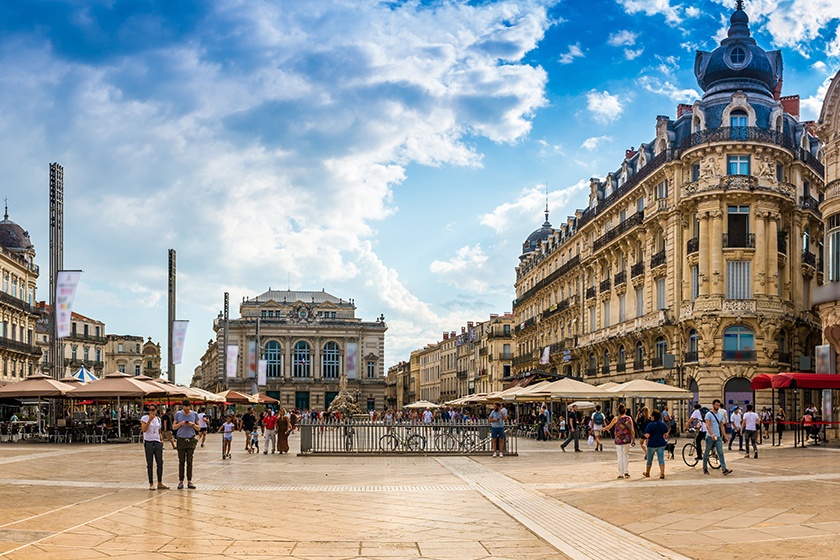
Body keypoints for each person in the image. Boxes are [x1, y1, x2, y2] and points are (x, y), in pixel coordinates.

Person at [141, 404, 168, 490]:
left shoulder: (158, 419)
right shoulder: (144, 418)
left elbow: (158, 431)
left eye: (153, 410)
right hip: (149, 442)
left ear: (156, 410)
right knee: (150, 463)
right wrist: (149, 420)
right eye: (150, 410)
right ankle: (151, 483)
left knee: (159, 462)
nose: (151, 411)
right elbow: (144, 429)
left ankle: (160, 482)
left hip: (157, 442)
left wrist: (161, 439)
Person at [173, 400, 200, 489]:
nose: (186, 410)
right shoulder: (178, 414)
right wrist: (181, 423)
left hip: (191, 439)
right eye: (184, 408)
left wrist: (192, 425)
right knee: (181, 461)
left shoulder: (194, 414)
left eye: (187, 408)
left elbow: (199, 428)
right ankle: (181, 480)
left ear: (190, 407)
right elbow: (174, 427)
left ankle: (189, 480)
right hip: (181, 439)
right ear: (182, 407)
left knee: (189, 461)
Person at [604, 403, 635, 478]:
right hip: (627, 438)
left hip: (618, 439)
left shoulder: (616, 419)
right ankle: (626, 471)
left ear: (618, 411)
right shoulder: (629, 418)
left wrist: (604, 428)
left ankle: (621, 473)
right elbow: (632, 430)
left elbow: (609, 426)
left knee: (620, 455)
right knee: (626, 455)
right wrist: (633, 439)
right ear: (625, 410)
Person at [704, 399, 732, 475]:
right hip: (710, 437)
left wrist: (725, 436)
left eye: (719, 405)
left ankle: (724, 468)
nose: (718, 407)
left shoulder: (720, 415)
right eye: (716, 405)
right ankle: (705, 468)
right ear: (713, 405)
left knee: (720, 452)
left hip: (718, 437)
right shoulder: (708, 414)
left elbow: (722, 426)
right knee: (706, 452)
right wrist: (712, 434)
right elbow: (707, 425)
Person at [643, 410, 670, 479]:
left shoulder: (650, 425)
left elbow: (647, 435)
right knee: (661, 459)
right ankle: (662, 473)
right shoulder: (662, 424)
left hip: (651, 444)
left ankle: (647, 473)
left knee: (649, 459)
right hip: (661, 443)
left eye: (651, 416)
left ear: (653, 417)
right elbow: (666, 434)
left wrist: (643, 435)